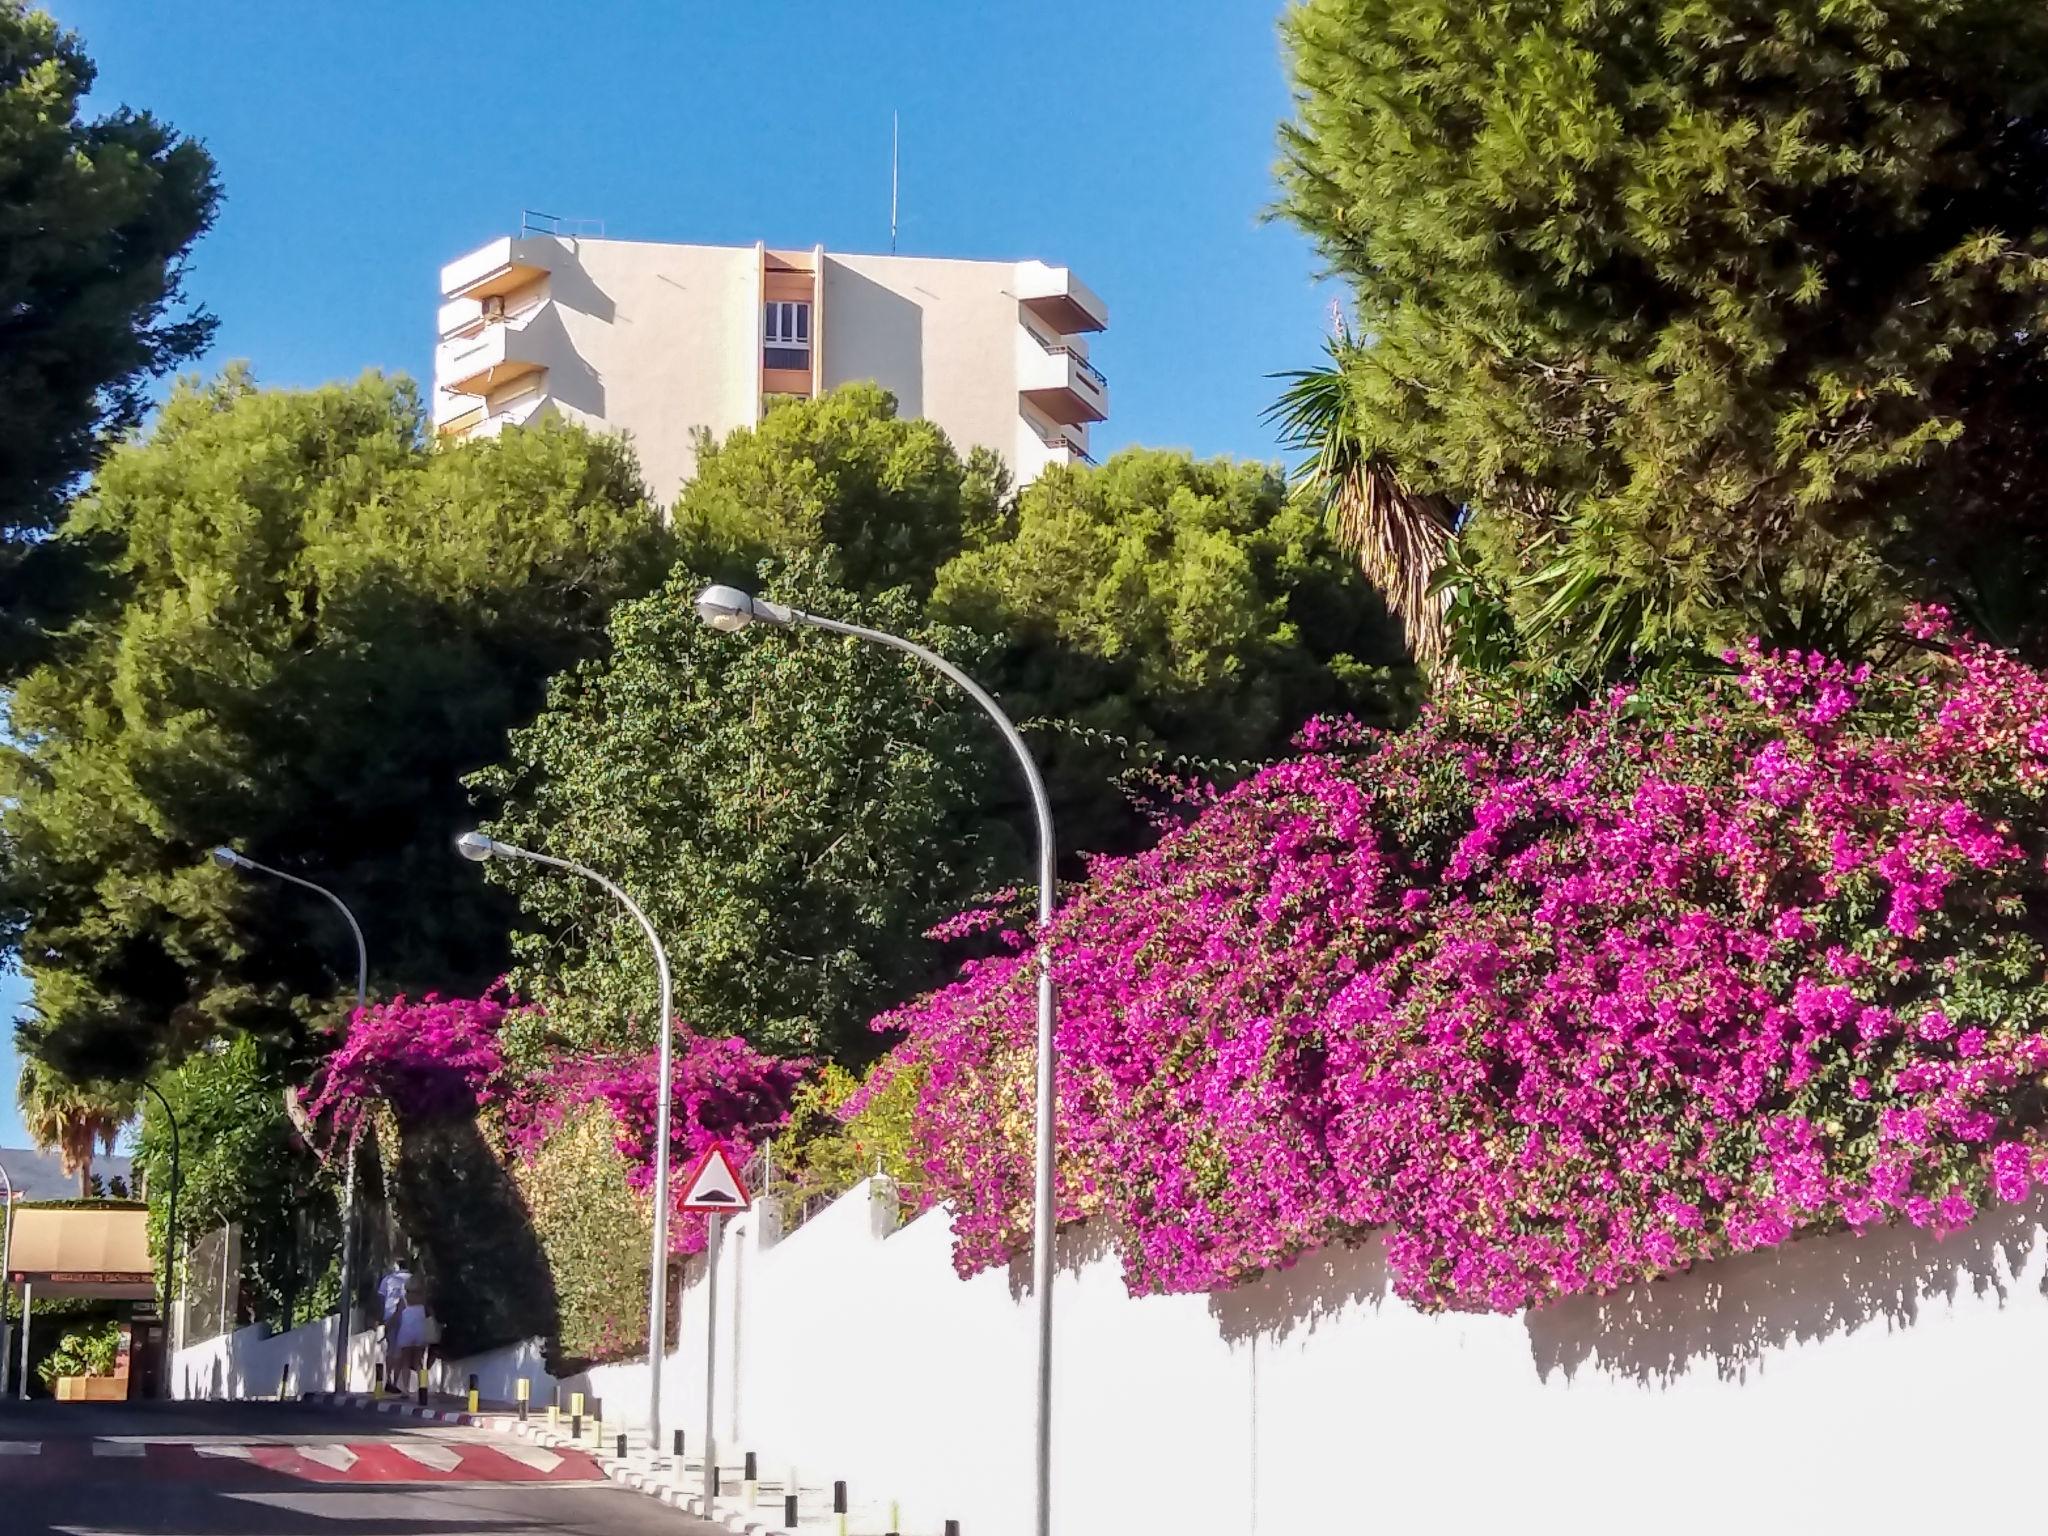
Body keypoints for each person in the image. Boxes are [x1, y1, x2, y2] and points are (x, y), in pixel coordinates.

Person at [377, 1256, 412, 1389]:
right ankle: (396, 1382)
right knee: (401, 1350)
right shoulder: (412, 1279)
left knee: (391, 1349)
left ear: (395, 1266)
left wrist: (381, 1319)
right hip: (407, 1316)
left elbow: (381, 1300)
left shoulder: (388, 1280)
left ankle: (388, 1378)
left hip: (390, 1316)